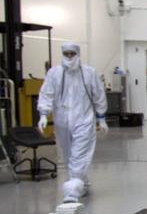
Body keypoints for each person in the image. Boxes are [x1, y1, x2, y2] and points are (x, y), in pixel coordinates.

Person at [37, 41, 108, 201]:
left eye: (72, 53)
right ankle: (82, 183)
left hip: (84, 119)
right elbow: (46, 93)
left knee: (79, 155)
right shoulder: (54, 73)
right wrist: (43, 114)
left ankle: (72, 193)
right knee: (68, 154)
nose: (69, 57)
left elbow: (98, 95)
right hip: (62, 121)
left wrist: (101, 117)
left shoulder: (89, 73)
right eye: (66, 54)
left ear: (78, 54)